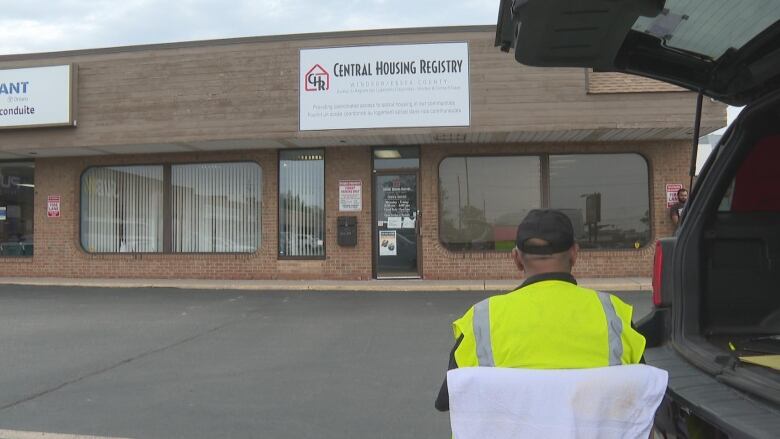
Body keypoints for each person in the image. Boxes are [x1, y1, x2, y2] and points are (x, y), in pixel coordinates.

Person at [435, 209, 646, 411]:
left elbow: (447, 401)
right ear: (574, 254)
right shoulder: (615, 315)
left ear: (516, 259)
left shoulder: (481, 320)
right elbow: (646, 394)